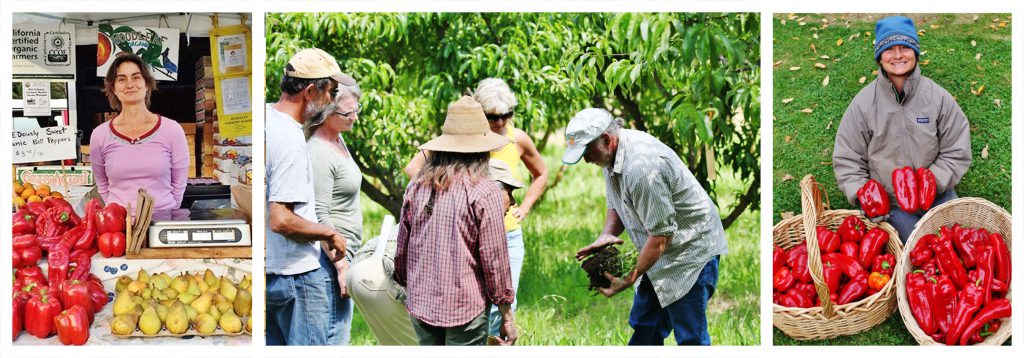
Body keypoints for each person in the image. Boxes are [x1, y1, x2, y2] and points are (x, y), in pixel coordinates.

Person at [564, 108, 728, 346]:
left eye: (586, 153)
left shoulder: (642, 169)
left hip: (689, 255)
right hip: (656, 252)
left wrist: (629, 277)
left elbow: (662, 237)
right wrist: (607, 234)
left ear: (607, 140)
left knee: (690, 337)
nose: (586, 160)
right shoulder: (611, 156)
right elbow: (616, 203)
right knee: (645, 327)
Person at [403, 78, 548, 335]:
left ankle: (494, 341)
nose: (501, 123)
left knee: (503, 301)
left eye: (507, 115)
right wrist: (442, 200)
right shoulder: (455, 144)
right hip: (464, 234)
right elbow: (414, 170)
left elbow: (541, 173)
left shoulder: (517, 139)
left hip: (507, 232)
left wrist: (523, 207)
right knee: (466, 300)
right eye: (493, 117)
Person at [833, 16, 971, 243]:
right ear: (880, 57)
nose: (897, 55)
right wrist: (864, 196)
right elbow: (848, 158)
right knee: (917, 250)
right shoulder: (863, 104)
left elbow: (956, 148)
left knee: (959, 245)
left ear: (916, 52)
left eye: (905, 47)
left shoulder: (937, 97)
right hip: (893, 205)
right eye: (889, 49)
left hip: (937, 194)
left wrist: (932, 182)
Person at [394, 96, 517, 346]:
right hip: (464, 306)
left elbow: (402, 249)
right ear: (481, 149)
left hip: (422, 302)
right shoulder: (485, 190)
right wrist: (506, 315)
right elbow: (495, 258)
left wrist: (409, 284)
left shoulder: (417, 184)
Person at [265, 48, 351, 346]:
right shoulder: (290, 138)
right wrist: (329, 232)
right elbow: (281, 219)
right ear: (311, 91)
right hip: (296, 276)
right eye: (331, 92)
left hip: (272, 273)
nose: (331, 101)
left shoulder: (265, 118)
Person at [91, 53, 189, 212]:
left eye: (136, 77)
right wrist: (119, 213)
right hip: (119, 229)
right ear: (114, 88)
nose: (130, 84)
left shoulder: (172, 130)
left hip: (161, 225)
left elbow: (179, 184)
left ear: (147, 84)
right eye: (122, 79)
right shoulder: (100, 135)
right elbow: (102, 184)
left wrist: (164, 212)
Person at [306, 78, 364, 345]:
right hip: (329, 261)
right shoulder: (319, 152)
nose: (354, 117)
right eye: (347, 113)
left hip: (344, 254)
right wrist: (341, 266)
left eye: (357, 109)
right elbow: (319, 215)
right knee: (333, 338)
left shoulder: (339, 140)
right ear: (326, 113)